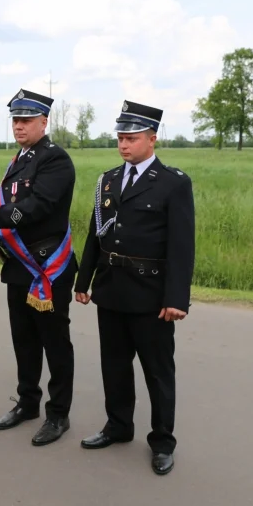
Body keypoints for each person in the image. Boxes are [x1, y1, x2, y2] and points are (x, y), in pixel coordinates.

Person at [74, 100, 195, 476]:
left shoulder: (174, 183)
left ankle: (162, 442)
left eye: (132, 138)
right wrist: (84, 280)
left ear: (152, 139)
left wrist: (176, 298)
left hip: (151, 296)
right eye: (121, 138)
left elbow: (181, 245)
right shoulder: (108, 180)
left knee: (158, 372)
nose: (124, 145)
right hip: (110, 291)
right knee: (114, 366)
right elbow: (96, 234)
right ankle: (119, 426)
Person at [0, 88, 77, 446]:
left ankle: (58, 415)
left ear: (44, 122)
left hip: (48, 266)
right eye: (15, 120)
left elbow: (36, 206)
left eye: (27, 120)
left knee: (54, 344)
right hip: (20, 266)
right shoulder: (18, 160)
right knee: (24, 341)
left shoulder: (56, 160)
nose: (19, 126)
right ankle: (28, 403)